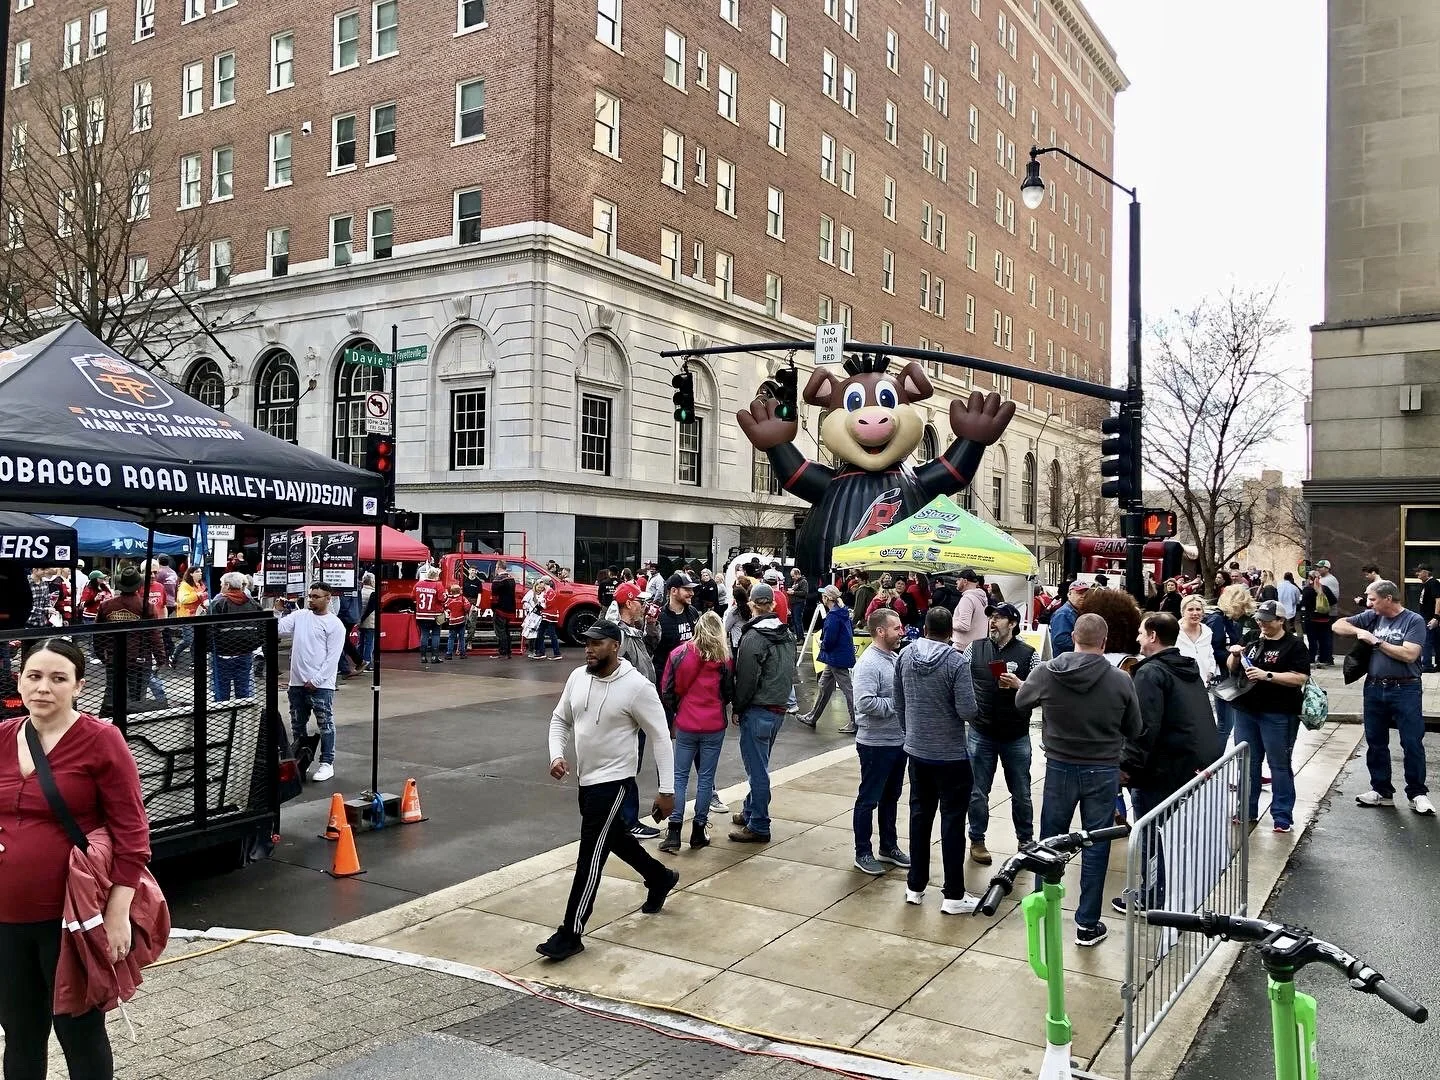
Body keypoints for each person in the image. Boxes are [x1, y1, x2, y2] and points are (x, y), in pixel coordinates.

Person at [0, 639, 151, 1080]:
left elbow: (132, 833)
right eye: (34, 676)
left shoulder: (101, 740)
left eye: (57, 678)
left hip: (71, 917)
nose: (43, 687)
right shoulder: (4, 736)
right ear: (19, 681)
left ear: (79, 686)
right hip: (7, 919)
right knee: (21, 1032)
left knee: (79, 1031)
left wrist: (118, 913)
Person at [539, 621, 678, 961]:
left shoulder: (636, 687)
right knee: (614, 838)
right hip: (585, 781)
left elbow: (661, 736)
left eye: (597, 643)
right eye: (587, 642)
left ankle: (571, 932)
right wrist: (557, 754)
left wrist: (667, 790)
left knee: (590, 855)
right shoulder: (577, 678)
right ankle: (658, 877)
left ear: (615, 645)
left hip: (614, 784)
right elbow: (560, 720)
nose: (589, 648)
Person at [1016, 613, 1142, 947]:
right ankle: (1086, 924)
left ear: (1073, 636)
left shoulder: (1046, 672)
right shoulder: (1120, 680)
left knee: (1049, 840)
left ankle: (1043, 905)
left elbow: (1020, 702)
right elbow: (1135, 728)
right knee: (1095, 843)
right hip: (1101, 770)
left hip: (1059, 765)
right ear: (1104, 641)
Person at [1118, 613, 1223, 912]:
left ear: (1152, 636)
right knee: (1168, 834)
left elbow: (1143, 727)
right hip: (1189, 764)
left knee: (1150, 834)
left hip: (1162, 769)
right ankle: (1165, 889)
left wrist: (1127, 766)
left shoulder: (1151, 674)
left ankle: (1151, 896)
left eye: (1141, 633)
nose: (1137, 638)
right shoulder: (1185, 667)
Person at [893, 606, 979, 913]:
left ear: (925, 627)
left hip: (917, 750)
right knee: (953, 822)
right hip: (951, 754)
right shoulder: (956, 662)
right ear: (951, 632)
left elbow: (898, 701)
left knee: (919, 816)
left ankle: (915, 886)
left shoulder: (904, 656)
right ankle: (954, 894)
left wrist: (911, 732)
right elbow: (967, 710)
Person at [1334, 580, 1433, 815]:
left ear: (1388, 598)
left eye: (1372, 599)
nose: (1368, 603)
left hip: (1405, 688)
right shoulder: (1372, 617)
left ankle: (1417, 793)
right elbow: (1337, 625)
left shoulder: (1413, 620)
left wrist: (1377, 641)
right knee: (1376, 741)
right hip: (1375, 687)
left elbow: (1410, 654)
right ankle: (1381, 791)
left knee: (1411, 742)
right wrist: (1360, 632)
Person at [1227, 600, 1310, 832]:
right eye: (1259, 619)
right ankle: (1246, 810)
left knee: (1279, 765)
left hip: (1279, 712)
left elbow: (1300, 677)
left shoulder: (1294, 645)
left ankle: (1282, 816)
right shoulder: (1252, 637)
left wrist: (1268, 675)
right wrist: (1234, 655)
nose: (1261, 624)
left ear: (1281, 621)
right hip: (1246, 709)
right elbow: (1232, 667)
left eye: (1267, 620)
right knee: (1247, 763)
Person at [965, 602, 1036, 866]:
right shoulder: (976, 648)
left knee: (1021, 791)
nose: (993, 621)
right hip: (981, 730)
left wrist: (1020, 685)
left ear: (1013, 624)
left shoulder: (1030, 654)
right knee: (977, 790)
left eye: (999, 617)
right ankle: (977, 839)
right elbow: (961, 677)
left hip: (1016, 734)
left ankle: (1026, 841)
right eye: (991, 617)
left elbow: (1039, 692)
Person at [729, 582, 798, 844]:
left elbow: (746, 679)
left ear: (751, 604)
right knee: (761, 764)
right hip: (778, 708)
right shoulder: (787, 634)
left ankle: (759, 823)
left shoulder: (754, 637)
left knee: (757, 770)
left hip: (758, 709)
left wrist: (737, 707)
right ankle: (750, 811)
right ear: (772, 604)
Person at [658, 611, 733, 853]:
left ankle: (674, 830)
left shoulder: (679, 654)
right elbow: (728, 691)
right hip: (713, 723)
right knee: (705, 779)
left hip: (687, 722)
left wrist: (677, 709)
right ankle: (699, 830)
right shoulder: (724, 658)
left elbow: (666, 689)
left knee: (679, 777)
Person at [849, 609, 909, 876]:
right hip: (875, 744)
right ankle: (863, 852)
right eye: (896, 628)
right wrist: (898, 702)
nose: (902, 632)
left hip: (897, 742)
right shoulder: (869, 663)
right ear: (881, 631)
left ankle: (888, 846)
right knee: (869, 799)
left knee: (891, 797)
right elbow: (863, 702)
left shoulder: (893, 658)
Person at [275, 582, 347, 783]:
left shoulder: (334, 625)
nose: (311, 599)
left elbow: (332, 658)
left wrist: (317, 680)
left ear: (327, 598)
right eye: (310, 596)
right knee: (298, 724)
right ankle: (301, 761)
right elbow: (279, 629)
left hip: (320, 685)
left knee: (325, 723)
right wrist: (277, 611)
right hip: (297, 683)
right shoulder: (300, 616)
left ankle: (327, 762)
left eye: (316, 596)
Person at [97, 565, 166, 714]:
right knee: (137, 698)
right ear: (138, 585)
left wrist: (101, 655)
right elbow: (154, 634)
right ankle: (131, 726)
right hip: (139, 659)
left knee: (113, 694)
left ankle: (110, 723)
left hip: (115, 658)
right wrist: (161, 657)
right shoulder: (146, 606)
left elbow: (98, 635)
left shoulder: (106, 606)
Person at [798, 585, 857, 734]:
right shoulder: (843, 612)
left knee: (847, 689)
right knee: (824, 685)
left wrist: (821, 644)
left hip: (835, 657)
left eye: (823, 595)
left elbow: (829, 640)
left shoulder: (833, 616)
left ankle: (856, 721)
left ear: (827, 598)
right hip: (838, 656)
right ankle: (812, 717)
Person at [1205, 583, 1258, 746]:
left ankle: (1211, 763)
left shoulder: (1227, 620)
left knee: (1226, 723)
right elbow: (1213, 649)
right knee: (1225, 724)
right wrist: (1234, 656)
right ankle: (1211, 764)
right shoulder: (1218, 620)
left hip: (1227, 674)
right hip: (1222, 675)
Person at [208, 571, 262, 702]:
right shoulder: (254, 605)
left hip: (222, 655)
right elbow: (261, 631)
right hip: (245, 654)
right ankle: (244, 721)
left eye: (221, 584)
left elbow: (208, 630)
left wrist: (210, 649)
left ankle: (223, 721)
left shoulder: (218, 604)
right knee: (243, 692)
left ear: (227, 585)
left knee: (221, 693)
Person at [652, 572, 699, 694]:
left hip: (690, 680)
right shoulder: (660, 617)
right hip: (667, 682)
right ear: (674, 591)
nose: (692, 593)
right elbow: (652, 649)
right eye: (687, 589)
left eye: (692, 589)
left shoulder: (693, 612)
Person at [170, 566, 208, 667]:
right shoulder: (184, 585)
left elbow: (202, 598)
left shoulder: (200, 584)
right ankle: (173, 656)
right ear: (191, 574)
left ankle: (194, 661)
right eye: (197, 572)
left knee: (195, 640)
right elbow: (183, 600)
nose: (200, 573)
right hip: (186, 616)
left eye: (200, 571)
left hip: (197, 615)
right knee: (188, 640)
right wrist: (198, 595)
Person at [1174, 594, 1217, 684]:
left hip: (1203, 683)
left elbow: (1210, 654)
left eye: (1198, 609)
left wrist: (1211, 671)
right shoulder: (1174, 631)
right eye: (1190, 609)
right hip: (1181, 682)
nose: (1195, 613)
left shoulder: (1207, 632)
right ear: (1183, 612)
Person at [1300, 569, 1337, 667]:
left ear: (1309, 578)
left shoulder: (1307, 590)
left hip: (1311, 619)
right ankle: (1325, 659)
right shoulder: (1325, 589)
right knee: (1325, 640)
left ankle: (1311, 659)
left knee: (1312, 640)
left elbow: (1303, 603)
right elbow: (1334, 601)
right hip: (1325, 619)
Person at [949, 568, 989, 653]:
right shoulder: (982, 598)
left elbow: (964, 626)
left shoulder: (967, 599)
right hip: (978, 647)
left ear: (965, 581)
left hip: (962, 648)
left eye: (958, 580)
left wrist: (948, 623)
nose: (956, 582)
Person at [413, 567, 444, 665]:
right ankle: (435, 656)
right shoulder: (438, 585)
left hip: (421, 615)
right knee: (436, 634)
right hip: (435, 614)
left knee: (424, 634)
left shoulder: (418, 584)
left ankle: (423, 657)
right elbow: (442, 598)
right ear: (436, 576)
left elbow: (412, 597)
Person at [1412, 564, 1440, 673]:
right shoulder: (1427, 584)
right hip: (1428, 617)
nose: (1417, 574)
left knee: (1427, 640)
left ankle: (1427, 665)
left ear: (1426, 572)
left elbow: (1439, 599)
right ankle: (1436, 664)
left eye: (1419, 571)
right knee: (1435, 641)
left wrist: (1436, 617)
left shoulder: (1433, 583)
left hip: (1430, 618)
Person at [1048, 581, 1089, 654]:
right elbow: (1060, 640)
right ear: (1069, 594)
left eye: (1085, 594)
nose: (1083, 596)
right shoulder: (1063, 614)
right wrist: (1085, 644)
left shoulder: (1076, 611)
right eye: (1079, 593)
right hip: (1065, 661)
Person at [490, 560, 517, 659]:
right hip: (510, 609)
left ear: (498, 567)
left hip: (500, 609)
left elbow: (494, 597)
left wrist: (493, 607)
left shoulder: (498, 580)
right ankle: (508, 651)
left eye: (496, 567)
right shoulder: (511, 579)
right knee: (507, 630)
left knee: (500, 631)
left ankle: (503, 652)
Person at [534, 579, 563, 660]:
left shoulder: (551, 592)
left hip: (551, 616)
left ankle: (557, 654)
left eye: (541, 582)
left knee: (551, 634)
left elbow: (548, 603)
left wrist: (541, 603)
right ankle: (541, 652)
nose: (539, 585)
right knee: (540, 633)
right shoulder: (546, 592)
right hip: (546, 615)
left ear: (544, 583)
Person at [443, 583, 472, 660]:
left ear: (451, 592)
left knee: (451, 638)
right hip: (461, 621)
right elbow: (467, 607)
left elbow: (445, 606)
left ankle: (449, 654)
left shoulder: (449, 600)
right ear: (460, 591)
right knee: (461, 637)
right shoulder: (463, 598)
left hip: (452, 622)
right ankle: (462, 653)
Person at [723, 582, 751, 651]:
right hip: (749, 640)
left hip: (737, 642)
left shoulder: (734, 613)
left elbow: (726, 628)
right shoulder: (751, 608)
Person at [358, 572, 378, 666]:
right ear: (371, 581)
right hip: (370, 621)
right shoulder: (373, 593)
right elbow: (370, 609)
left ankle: (359, 661)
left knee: (361, 642)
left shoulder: (360, 591)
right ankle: (367, 662)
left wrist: (359, 619)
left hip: (361, 620)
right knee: (369, 643)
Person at [786, 567, 809, 638]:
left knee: (797, 620)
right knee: (794, 620)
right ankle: (798, 636)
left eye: (793, 576)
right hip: (794, 603)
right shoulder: (795, 581)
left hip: (799, 603)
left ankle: (801, 637)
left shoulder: (803, 581)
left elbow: (805, 593)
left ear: (797, 574)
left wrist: (793, 592)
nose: (792, 578)